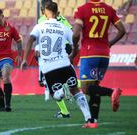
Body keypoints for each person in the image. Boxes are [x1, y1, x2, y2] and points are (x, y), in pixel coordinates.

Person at [21, 1, 91, 127]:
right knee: (76, 90)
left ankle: (61, 93)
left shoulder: (40, 26)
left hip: (49, 68)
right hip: (65, 63)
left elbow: (31, 39)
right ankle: (88, 118)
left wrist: (25, 59)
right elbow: (76, 41)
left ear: (44, 12)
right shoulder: (63, 26)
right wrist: (72, 55)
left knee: (56, 95)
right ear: (57, 13)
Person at [72, 0, 126, 128]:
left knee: (86, 89)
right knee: (95, 87)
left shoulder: (82, 9)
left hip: (89, 53)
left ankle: (111, 91)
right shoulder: (109, 9)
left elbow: (75, 34)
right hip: (104, 54)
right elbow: (122, 30)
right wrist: (110, 43)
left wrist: (75, 48)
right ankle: (93, 121)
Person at [35, 0, 72, 118]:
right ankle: (68, 86)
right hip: (66, 47)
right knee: (67, 77)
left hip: (54, 51)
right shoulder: (61, 18)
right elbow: (70, 29)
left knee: (53, 83)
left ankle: (65, 111)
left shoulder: (42, 20)